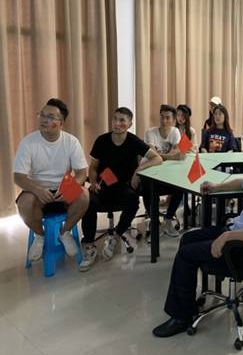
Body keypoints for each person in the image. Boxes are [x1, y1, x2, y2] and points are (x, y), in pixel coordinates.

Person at [152, 134, 243, 338]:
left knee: (185, 255)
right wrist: (217, 187)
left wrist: (226, 237)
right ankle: (187, 305)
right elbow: (242, 183)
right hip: (236, 233)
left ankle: (181, 318)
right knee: (187, 239)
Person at [80, 107, 162, 271]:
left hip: (123, 186)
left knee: (133, 200)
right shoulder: (102, 140)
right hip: (102, 185)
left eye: (122, 120)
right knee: (88, 203)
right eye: (115, 119)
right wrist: (93, 182)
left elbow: (157, 158)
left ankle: (116, 236)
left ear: (130, 124)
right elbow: (93, 166)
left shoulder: (133, 141)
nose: (117, 123)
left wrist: (138, 170)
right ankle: (89, 246)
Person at [14, 98, 89, 263]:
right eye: (42, 115)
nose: (43, 119)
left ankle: (65, 232)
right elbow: (18, 176)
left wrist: (69, 188)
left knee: (84, 195)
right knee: (24, 203)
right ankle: (40, 236)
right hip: (38, 189)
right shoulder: (28, 142)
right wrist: (37, 189)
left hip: (64, 187)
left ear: (61, 123)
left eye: (50, 117)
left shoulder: (71, 142)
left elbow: (82, 173)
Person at [143, 104, 185, 237]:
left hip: (168, 172)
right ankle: (154, 221)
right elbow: (153, 155)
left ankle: (168, 219)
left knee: (181, 187)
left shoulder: (175, 131)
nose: (164, 121)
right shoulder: (150, 132)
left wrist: (160, 157)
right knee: (147, 187)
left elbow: (178, 154)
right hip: (150, 170)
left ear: (173, 120)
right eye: (162, 117)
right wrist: (170, 156)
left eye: (167, 118)